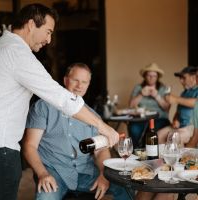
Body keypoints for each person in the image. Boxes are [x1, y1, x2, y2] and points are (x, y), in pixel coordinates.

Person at [0, 4, 119, 200]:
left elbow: (100, 151)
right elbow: (61, 97)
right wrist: (103, 127)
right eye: (47, 32)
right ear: (30, 25)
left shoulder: (2, 47)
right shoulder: (18, 54)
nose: (49, 39)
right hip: (1, 149)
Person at [23, 63, 132, 200]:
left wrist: (104, 175)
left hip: (85, 172)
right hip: (55, 171)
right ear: (65, 80)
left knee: (124, 186)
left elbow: (101, 151)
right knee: (46, 198)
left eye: (84, 82)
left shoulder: (92, 117)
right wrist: (42, 173)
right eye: (75, 80)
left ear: (88, 84)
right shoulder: (43, 107)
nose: (79, 85)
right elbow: (30, 146)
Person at [128, 63, 170, 148]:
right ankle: (137, 151)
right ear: (144, 76)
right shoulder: (138, 88)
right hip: (141, 118)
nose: (151, 78)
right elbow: (131, 105)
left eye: (154, 76)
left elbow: (167, 108)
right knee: (133, 128)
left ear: (157, 77)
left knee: (153, 131)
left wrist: (157, 96)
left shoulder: (163, 88)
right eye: (149, 75)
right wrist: (141, 94)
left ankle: (150, 152)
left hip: (159, 118)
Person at [158, 66, 198, 146]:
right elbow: (179, 111)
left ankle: (175, 158)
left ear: (193, 77)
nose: (180, 81)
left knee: (174, 138)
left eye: (183, 78)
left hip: (191, 127)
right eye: (180, 78)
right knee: (159, 135)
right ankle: (160, 158)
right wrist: (176, 120)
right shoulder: (184, 93)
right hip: (180, 126)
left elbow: (195, 103)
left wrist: (176, 99)